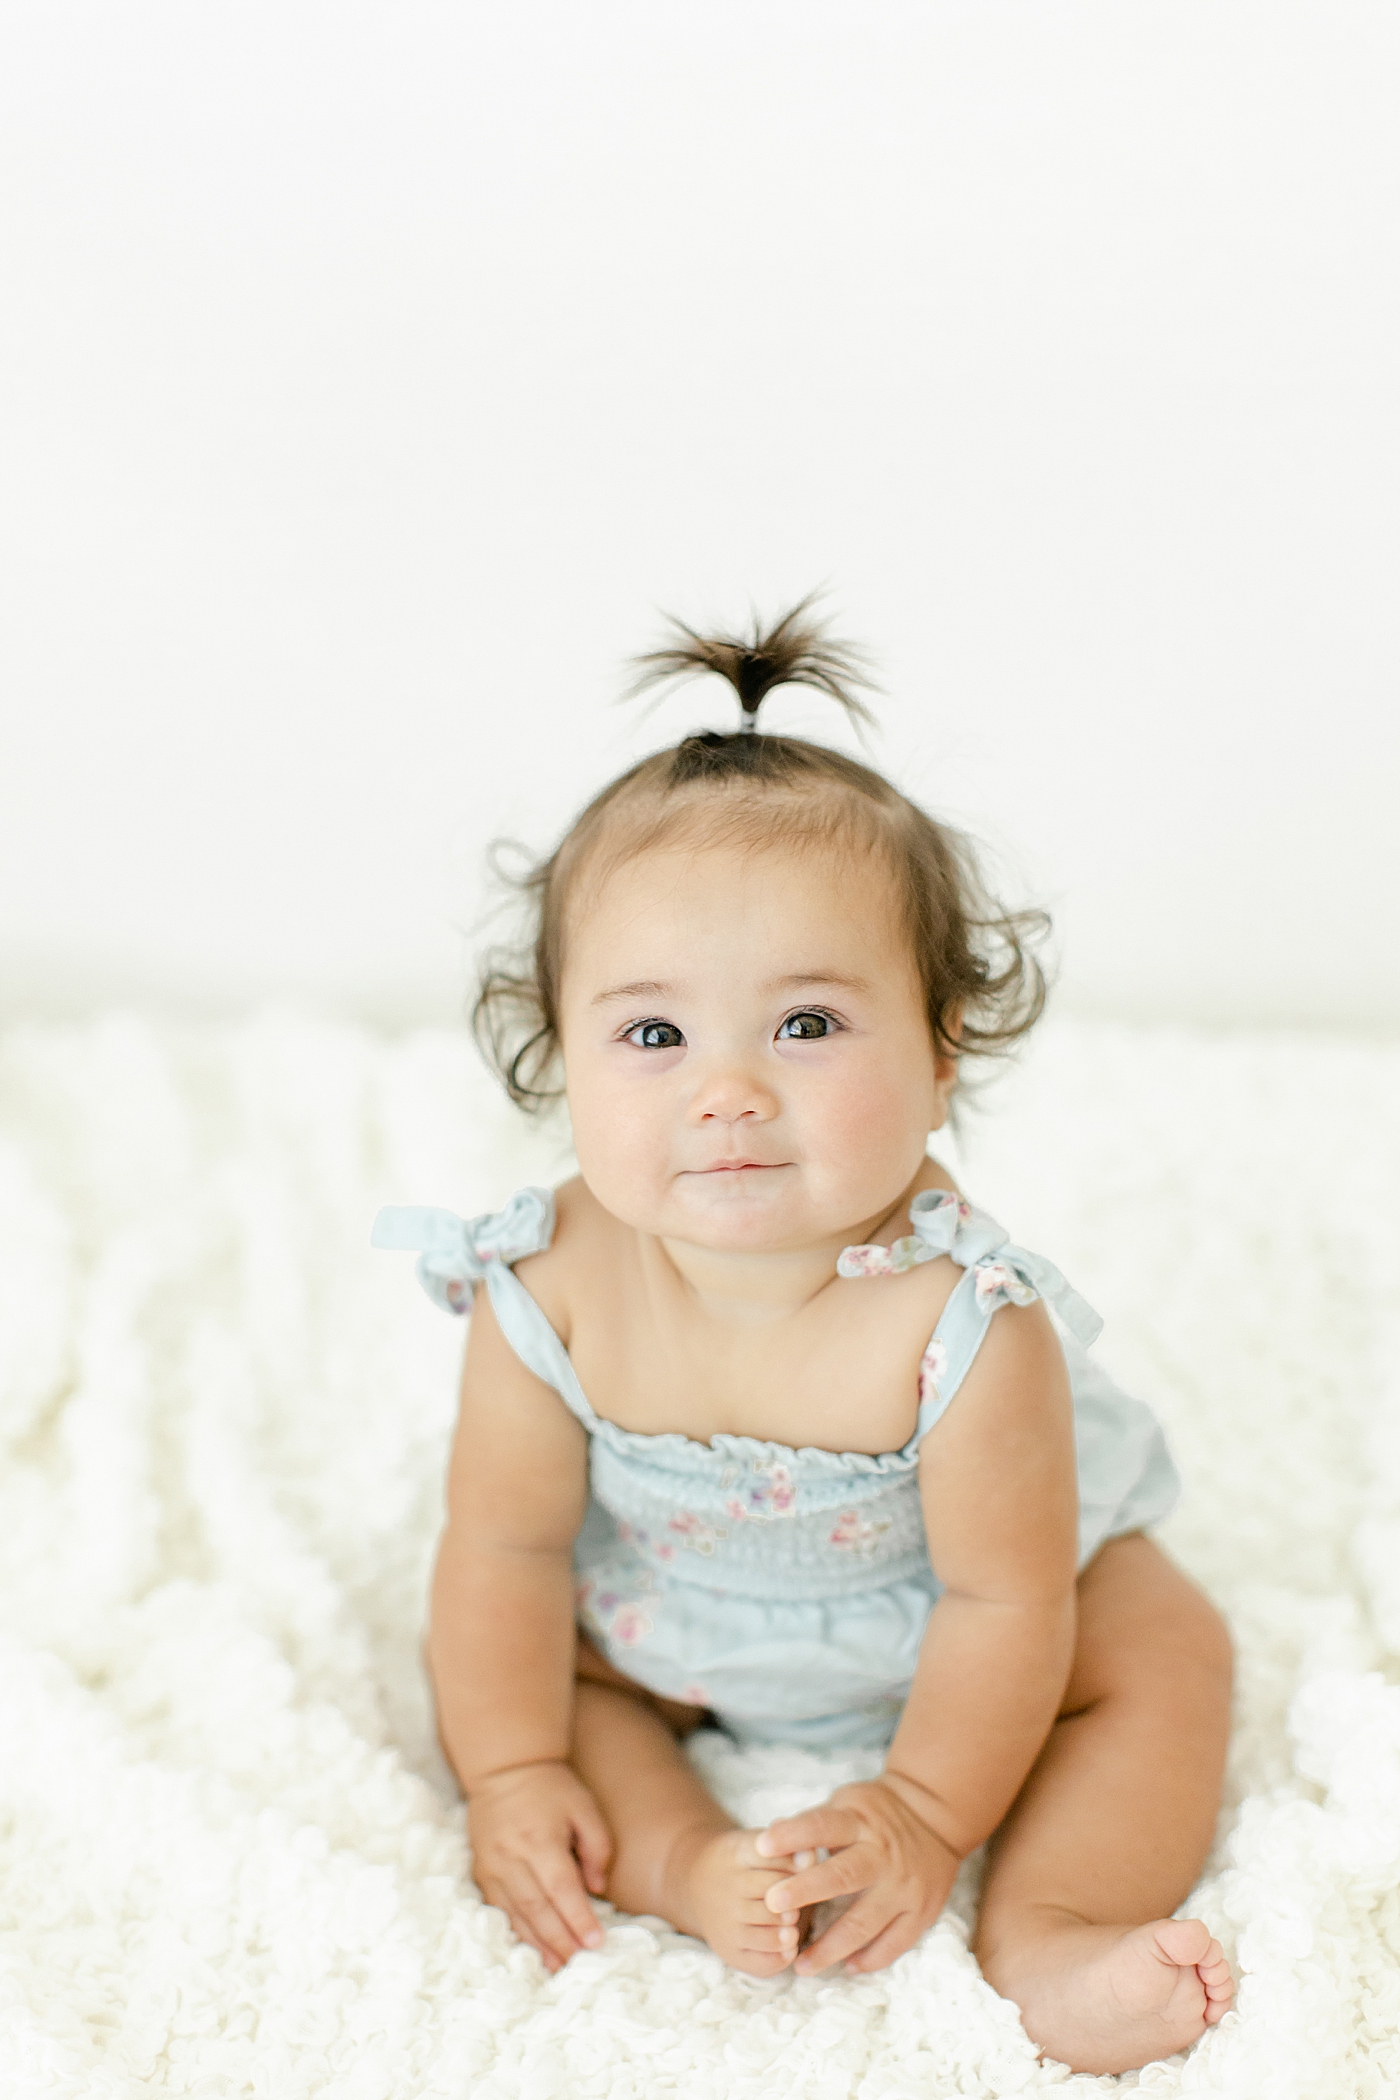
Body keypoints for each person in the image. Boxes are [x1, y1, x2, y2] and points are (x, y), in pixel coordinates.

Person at [374, 602, 1235, 2075]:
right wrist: (507, 1769)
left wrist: (922, 1813)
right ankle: (695, 1872)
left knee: (1167, 1656)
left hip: (960, 1621)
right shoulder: (545, 1283)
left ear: (941, 1041)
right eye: (655, 1037)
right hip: (668, 1616)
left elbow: (1003, 1605)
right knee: (536, 1686)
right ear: (559, 1053)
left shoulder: (965, 1318)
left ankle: (1051, 1929)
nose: (728, 1093)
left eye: (808, 1026)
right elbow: (506, 1549)